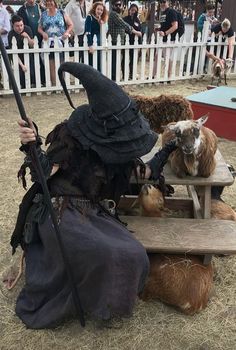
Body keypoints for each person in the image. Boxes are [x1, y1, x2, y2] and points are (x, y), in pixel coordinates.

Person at [11, 62, 177, 329]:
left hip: (95, 213)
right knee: (103, 252)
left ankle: (108, 303)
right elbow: (44, 172)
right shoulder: (71, 137)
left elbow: (146, 172)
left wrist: (167, 150)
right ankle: (86, 301)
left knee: (134, 253)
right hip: (60, 210)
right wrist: (33, 144)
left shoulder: (119, 146)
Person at [38, 0, 73, 86]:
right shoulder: (43, 14)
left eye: (51, 1)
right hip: (49, 42)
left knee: (62, 64)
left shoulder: (61, 12)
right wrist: (43, 33)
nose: (49, 3)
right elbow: (39, 28)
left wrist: (66, 33)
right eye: (47, 1)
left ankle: (62, 84)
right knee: (51, 65)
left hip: (61, 41)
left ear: (54, 2)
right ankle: (54, 85)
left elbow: (71, 24)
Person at [108, 0, 142, 81]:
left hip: (125, 42)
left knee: (123, 60)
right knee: (116, 61)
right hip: (117, 41)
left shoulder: (136, 19)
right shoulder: (114, 14)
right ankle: (114, 78)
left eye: (120, 5)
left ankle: (125, 76)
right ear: (113, 6)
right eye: (117, 5)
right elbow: (124, 24)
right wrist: (136, 32)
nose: (119, 6)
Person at [153, 0, 185, 79]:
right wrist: (159, 29)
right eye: (161, 2)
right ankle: (154, 75)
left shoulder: (171, 12)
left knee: (167, 58)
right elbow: (166, 25)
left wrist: (165, 33)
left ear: (168, 2)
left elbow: (175, 26)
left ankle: (168, 76)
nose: (162, 4)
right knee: (157, 56)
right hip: (163, 39)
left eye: (164, 2)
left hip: (169, 39)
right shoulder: (163, 13)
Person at [18, 0, 46, 86]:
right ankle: (32, 81)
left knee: (42, 60)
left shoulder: (41, 8)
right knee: (30, 60)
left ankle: (43, 80)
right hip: (27, 39)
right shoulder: (21, 10)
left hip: (41, 38)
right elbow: (19, 25)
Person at [8, 14, 35, 89]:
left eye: (21, 25)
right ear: (12, 25)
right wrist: (22, 65)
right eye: (17, 26)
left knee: (32, 72)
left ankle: (31, 85)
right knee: (19, 73)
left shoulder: (27, 29)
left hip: (28, 55)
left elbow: (32, 45)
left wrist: (27, 37)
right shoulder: (10, 34)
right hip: (17, 56)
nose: (20, 28)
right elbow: (14, 53)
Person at [84, 1, 108, 71]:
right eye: (98, 9)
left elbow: (104, 32)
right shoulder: (89, 17)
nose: (99, 11)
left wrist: (101, 23)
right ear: (94, 9)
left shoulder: (100, 19)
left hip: (99, 44)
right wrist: (90, 45)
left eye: (101, 10)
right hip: (91, 44)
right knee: (91, 64)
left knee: (98, 63)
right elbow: (87, 31)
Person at [123, 3, 142, 80]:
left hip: (135, 43)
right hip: (127, 42)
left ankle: (132, 74)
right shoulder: (125, 19)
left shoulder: (137, 20)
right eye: (132, 10)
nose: (133, 12)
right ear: (129, 10)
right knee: (125, 59)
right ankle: (124, 75)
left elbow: (140, 31)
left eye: (135, 10)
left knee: (133, 60)